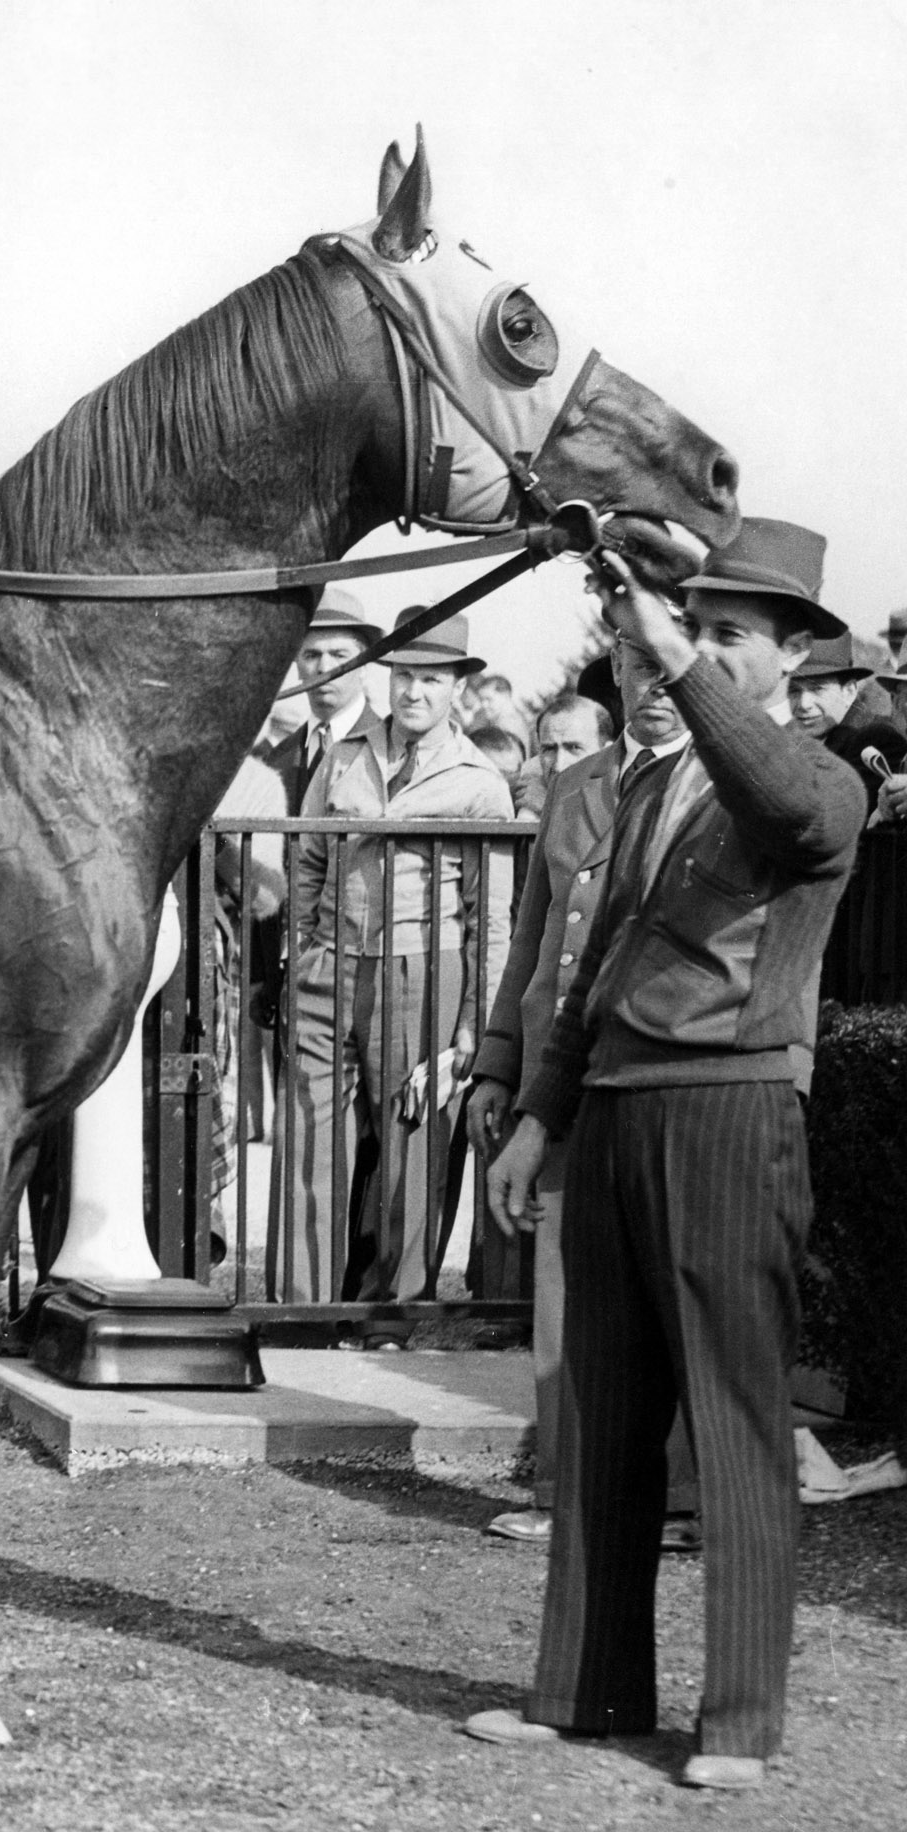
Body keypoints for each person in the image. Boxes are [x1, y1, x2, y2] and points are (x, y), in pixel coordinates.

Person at [472, 519, 865, 1792]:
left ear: (795, 660)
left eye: (731, 636)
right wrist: (541, 1113)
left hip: (730, 1111)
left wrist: (675, 663)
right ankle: (585, 1690)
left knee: (734, 1422)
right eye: (697, 628)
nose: (699, 652)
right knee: (601, 1412)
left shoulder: (823, 777)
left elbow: (786, 806)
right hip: (623, 1108)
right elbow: (588, 973)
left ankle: (739, 1720)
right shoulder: (644, 786)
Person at [468, 636, 700, 1547]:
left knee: (665, 1280)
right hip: (557, 1070)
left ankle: (676, 1502)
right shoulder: (580, 781)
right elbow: (533, 938)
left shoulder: (721, 787)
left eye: (671, 669)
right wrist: (497, 1060)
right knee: (562, 1284)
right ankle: (565, 1495)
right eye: (637, 668)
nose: (654, 689)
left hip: (654, 1065)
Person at [275, 614, 513, 1320]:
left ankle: (394, 1315)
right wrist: (306, 954)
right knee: (310, 1141)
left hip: (423, 973)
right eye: (404, 674)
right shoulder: (344, 755)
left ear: (455, 691)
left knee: (413, 1152)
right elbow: (309, 858)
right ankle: (303, 1313)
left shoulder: (479, 782)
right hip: (330, 966)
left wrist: (476, 1025)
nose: (413, 691)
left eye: (431, 679)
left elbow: (490, 917)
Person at [266, 591, 382, 814]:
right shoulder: (276, 758)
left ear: (364, 665)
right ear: (296, 664)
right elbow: (229, 843)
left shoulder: (393, 750)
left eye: (339, 655)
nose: (324, 668)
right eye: (311, 655)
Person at [785, 631, 907, 819]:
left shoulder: (877, 738)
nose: (803, 704)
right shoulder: (797, 741)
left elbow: (826, 817)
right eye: (793, 690)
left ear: (849, 691)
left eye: (818, 689)